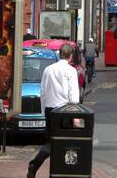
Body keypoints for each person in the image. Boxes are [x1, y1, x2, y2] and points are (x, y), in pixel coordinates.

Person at [28, 43, 80, 178]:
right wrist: (76, 115)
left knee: (50, 142)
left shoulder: (48, 69)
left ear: (60, 54)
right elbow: (74, 96)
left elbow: (43, 91)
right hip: (65, 110)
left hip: (50, 109)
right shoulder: (71, 71)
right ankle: (63, 171)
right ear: (70, 56)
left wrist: (43, 110)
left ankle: (35, 165)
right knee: (67, 141)